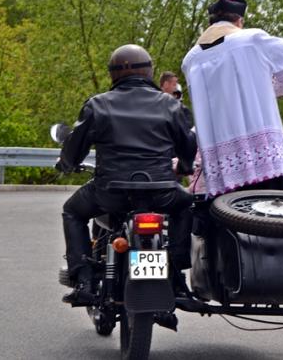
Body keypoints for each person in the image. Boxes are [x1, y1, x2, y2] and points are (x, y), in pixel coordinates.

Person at [58, 44, 196, 305]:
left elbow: (74, 149)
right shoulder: (171, 105)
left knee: (72, 212)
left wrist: (67, 164)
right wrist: (185, 166)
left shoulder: (98, 105)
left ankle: (84, 279)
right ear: (149, 72)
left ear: (113, 73)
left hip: (111, 193)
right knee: (186, 206)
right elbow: (188, 144)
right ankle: (177, 275)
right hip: (162, 192)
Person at [181, 0, 283, 196]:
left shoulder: (191, 59)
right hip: (264, 158)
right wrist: (265, 85)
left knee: (226, 213)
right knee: (271, 211)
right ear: (239, 21)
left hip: (222, 166)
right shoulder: (251, 40)